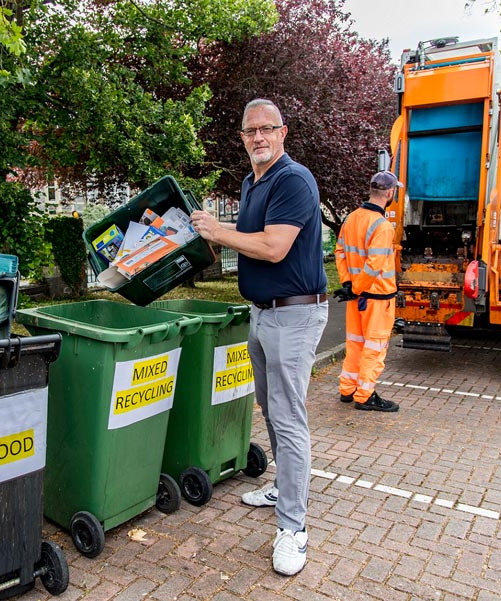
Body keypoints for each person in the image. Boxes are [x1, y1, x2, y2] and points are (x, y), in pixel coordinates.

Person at [190, 98, 328, 576]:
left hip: (294, 316)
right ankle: (281, 489)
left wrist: (220, 234)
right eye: (251, 132)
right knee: (271, 409)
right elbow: (249, 232)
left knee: (289, 420)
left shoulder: (293, 179)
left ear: (283, 132)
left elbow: (273, 246)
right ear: (242, 138)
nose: (259, 138)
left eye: (267, 129)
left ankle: (294, 527)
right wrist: (209, 228)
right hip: (263, 314)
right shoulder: (253, 183)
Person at [333, 171, 402, 412]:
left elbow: (339, 251)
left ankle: (347, 389)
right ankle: (364, 395)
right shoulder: (382, 227)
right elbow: (375, 265)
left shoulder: (351, 218)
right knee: (375, 347)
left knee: (355, 345)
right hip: (377, 299)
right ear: (390, 193)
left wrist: (348, 285)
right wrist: (358, 288)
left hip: (357, 298)